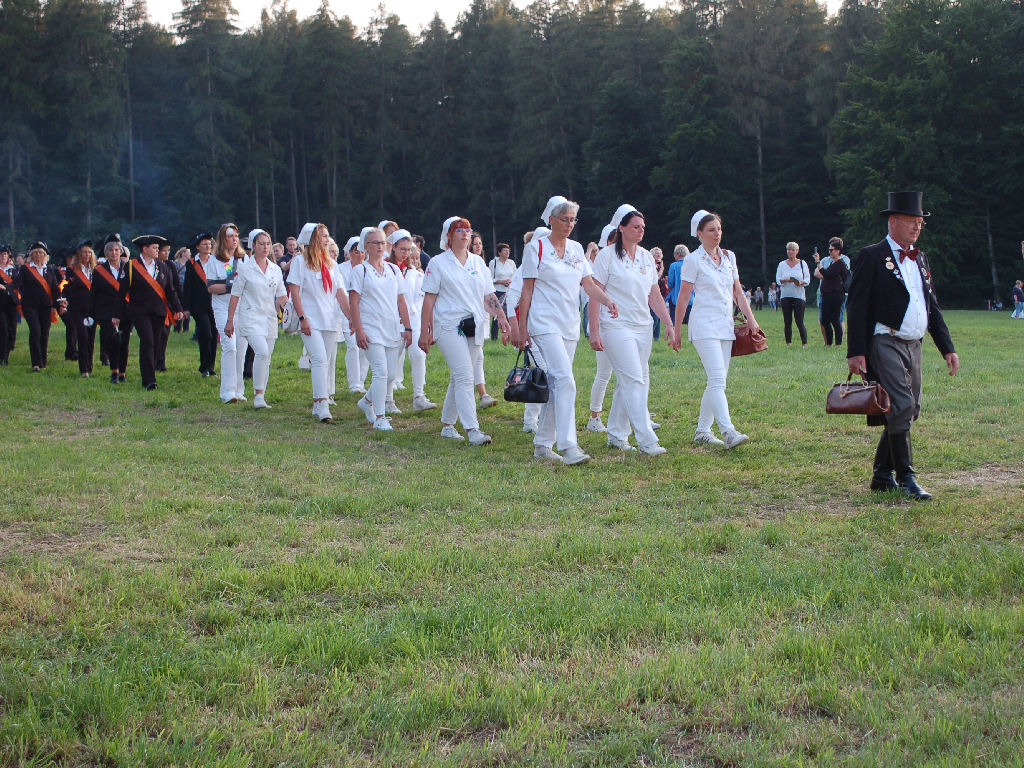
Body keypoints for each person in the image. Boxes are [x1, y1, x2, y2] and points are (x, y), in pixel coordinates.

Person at [846, 191, 958, 501]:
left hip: (914, 344)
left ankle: (882, 476)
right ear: (893, 221)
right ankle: (906, 478)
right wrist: (855, 351)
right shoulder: (871, 256)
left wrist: (947, 347)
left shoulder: (920, 257)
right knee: (902, 404)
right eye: (912, 221)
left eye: (920, 222)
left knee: (909, 409)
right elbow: (856, 306)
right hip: (885, 340)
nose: (917, 227)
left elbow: (931, 304)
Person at [516, 196, 618, 465]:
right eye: (564, 219)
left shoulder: (576, 249)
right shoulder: (536, 248)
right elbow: (526, 291)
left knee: (556, 383)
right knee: (565, 380)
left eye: (573, 220)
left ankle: (542, 444)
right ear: (551, 220)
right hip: (543, 323)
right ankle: (568, 445)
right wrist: (522, 329)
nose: (569, 224)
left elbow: (589, 284)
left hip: (569, 324)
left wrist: (607, 300)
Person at [589, 205, 674, 456]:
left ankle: (616, 434)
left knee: (632, 381)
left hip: (643, 326)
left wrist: (668, 323)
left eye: (643, 227)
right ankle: (647, 439)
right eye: (636, 226)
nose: (641, 230)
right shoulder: (606, 256)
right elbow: (594, 293)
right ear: (622, 228)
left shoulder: (647, 257)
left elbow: (654, 294)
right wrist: (594, 330)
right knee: (634, 380)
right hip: (615, 326)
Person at [419, 216, 511, 445]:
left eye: (468, 230)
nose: (465, 234)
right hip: (448, 325)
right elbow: (429, 300)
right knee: (464, 375)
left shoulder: (478, 263)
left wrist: (501, 317)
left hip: (474, 324)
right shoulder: (438, 263)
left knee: (460, 375)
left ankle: (448, 425)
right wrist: (424, 331)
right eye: (459, 230)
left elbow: (489, 296)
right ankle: (473, 430)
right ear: (449, 235)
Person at [671, 210, 760, 448]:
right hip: (703, 326)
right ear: (699, 234)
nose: (717, 233)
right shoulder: (693, 260)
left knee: (718, 381)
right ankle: (728, 431)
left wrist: (751, 319)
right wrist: (677, 330)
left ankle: (702, 430)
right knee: (717, 379)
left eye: (719, 229)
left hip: (725, 325)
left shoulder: (729, 257)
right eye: (711, 230)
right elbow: (683, 297)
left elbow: (737, 291)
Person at [349, 227, 414, 431]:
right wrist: (359, 330)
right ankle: (380, 417)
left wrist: (408, 327)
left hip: (392, 328)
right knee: (380, 371)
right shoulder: (360, 271)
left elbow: (401, 300)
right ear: (366, 246)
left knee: (391, 375)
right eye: (375, 243)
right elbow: (353, 302)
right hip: (370, 329)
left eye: (382, 242)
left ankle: (366, 401)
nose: (379, 246)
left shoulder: (393, 270)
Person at [288, 223, 351, 422]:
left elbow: (340, 293)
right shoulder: (300, 262)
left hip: (330, 320)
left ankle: (318, 402)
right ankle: (323, 404)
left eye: (327, 235)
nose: (326, 239)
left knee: (326, 361)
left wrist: (352, 318)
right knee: (319, 359)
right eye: (322, 236)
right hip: (310, 319)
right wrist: (302, 318)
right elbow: (295, 292)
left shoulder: (331, 264)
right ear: (311, 239)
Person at [223, 229, 287, 409]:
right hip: (250, 317)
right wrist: (230, 321)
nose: (265, 247)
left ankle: (261, 394)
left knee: (266, 358)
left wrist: (294, 315)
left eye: (268, 244)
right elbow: (235, 295)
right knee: (262, 352)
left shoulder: (275, 269)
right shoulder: (244, 269)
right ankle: (258, 395)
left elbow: (282, 296)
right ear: (253, 246)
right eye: (261, 244)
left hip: (270, 318)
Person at [118, 235, 183, 389]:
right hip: (139, 311)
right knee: (147, 341)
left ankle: (151, 373)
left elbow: (170, 290)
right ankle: (149, 380)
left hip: (158, 311)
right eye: (154, 248)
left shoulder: (162, 267)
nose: (157, 250)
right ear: (144, 249)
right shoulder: (131, 266)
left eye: (157, 248)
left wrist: (178, 308)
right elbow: (122, 292)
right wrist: (117, 315)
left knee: (156, 343)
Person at [389, 229, 435, 412]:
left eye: (409, 250)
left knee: (418, 355)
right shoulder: (386, 269)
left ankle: (419, 396)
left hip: (413, 320)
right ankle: (387, 399)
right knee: (391, 362)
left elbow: (422, 299)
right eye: (403, 249)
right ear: (393, 248)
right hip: (393, 321)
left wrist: (426, 325)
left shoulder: (414, 273)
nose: (406, 254)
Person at [208, 224, 249, 403]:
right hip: (222, 308)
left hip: (242, 308)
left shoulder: (244, 258)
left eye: (236, 236)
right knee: (230, 346)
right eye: (230, 236)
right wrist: (231, 286)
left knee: (241, 349)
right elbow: (211, 287)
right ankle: (227, 391)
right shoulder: (214, 260)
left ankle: (239, 389)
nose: (234, 239)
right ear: (223, 239)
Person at [14, 241, 63, 371]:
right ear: (31, 255)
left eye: (41, 253)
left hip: (45, 306)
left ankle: (43, 361)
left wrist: (60, 302)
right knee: (35, 330)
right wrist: (5, 287)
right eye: (35, 253)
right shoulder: (26, 269)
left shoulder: (50, 269)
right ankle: (36, 363)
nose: (38, 255)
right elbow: (16, 283)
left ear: (45, 255)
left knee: (44, 332)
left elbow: (55, 289)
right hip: (29, 305)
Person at [90, 234, 129, 383]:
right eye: (111, 250)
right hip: (107, 311)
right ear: (106, 253)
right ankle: (114, 372)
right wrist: (90, 313)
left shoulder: (128, 267)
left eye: (116, 250)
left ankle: (122, 373)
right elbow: (94, 294)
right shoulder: (99, 270)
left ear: (121, 251)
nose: (113, 253)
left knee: (124, 342)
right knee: (114, 340)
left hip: (125, 311)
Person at [61, 239, 98, 378]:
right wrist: (64, 301)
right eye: (84, 252)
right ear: (79, 254)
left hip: (92, 309)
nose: (87, 255)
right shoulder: (71, 270)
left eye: (89, 252)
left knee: (90, 338)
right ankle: (84, 369)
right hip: (77, 309)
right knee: (82, 336)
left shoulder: (96, 270)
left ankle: (89, 365)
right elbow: (66, 288)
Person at [182, 232, 217, 377]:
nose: (208, 246)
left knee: (214, 334)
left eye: (209, 244)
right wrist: (185, 308)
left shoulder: (216, 261)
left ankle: (211, 367)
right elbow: (187, 286)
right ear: (198, 247)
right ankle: (204, 366)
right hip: (199, 306)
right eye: (204, 244)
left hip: (215, 304)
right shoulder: (191, 264)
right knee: (206, 333)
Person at [338, 235, 369, 394]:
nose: (360, 255)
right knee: (353, 346)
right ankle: (354, 383)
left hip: (366, 313)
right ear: (349, 253)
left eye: (362, 251)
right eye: (356, 252)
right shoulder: (341, 269)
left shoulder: (368, 268)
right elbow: (342, 292)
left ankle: (361, 381)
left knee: (365, 347)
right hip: (346, 312)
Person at [814, 237, 851, 346]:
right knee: (824, 320)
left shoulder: (840, 263)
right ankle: (828, 343)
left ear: (838, 251)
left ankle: (838, 344)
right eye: (829, 250)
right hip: (826, 294)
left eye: (832, 250)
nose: (829, 252)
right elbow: (821, 274)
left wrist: (818, 262)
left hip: (836, 295)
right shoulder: (832, 263)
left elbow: (827, 274)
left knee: (835, 320)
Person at [776, 241, 810, 346]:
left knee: (799, 321)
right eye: (788, 250)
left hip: (799, 296)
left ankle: (804, 344)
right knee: (787, 321)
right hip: (785, 295)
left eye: (792, 250)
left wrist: (799, 283)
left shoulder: (802, 263)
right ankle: (788, 343)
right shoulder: (782, 264)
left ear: (797, 251)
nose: (790, 252)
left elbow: (807, 280)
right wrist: (785, 280)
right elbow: (778, 280)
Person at [489, 242, 515, 341]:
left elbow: (515, 276)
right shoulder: (493, 263)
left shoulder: (511, 263)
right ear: (499, 252)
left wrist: (510, 282)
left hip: (509, 291)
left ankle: (509, 335)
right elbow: (490, 278)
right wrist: (501, 282)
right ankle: (494, 337)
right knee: (497, 314)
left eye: (508, 251)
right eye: (505, 251)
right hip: (497, 291)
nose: (507, 252)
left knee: (510, 313)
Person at [0, 244, 19, 364]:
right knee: (3, 329)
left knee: (12, 330)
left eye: (4, 254)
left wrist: (6, 287)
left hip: (11, 302)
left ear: (8, 256)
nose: (2, 257)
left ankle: (7, 352)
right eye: (0, 255)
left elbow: (18, 283)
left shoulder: (14, 270)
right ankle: (3, 357)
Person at [665, 244, 689, 325]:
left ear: (678, 254)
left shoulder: (674, 265)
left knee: (674, 321)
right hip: (690, 298)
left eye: (674, 253)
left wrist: (668, 288)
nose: (674, 255)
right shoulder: (690, 265)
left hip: (675, 297)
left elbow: (670, 283)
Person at [650, 246, 667, 340]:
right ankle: (648, 335)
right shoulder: (651, 266)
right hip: (652, 295)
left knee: (659, 316)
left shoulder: (659, 266)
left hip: (660, 294)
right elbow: (655, 279)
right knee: (655, 317)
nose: (658, 254)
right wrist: (661, 270)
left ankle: (656, 338)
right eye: (656, 253)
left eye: (659, 253)